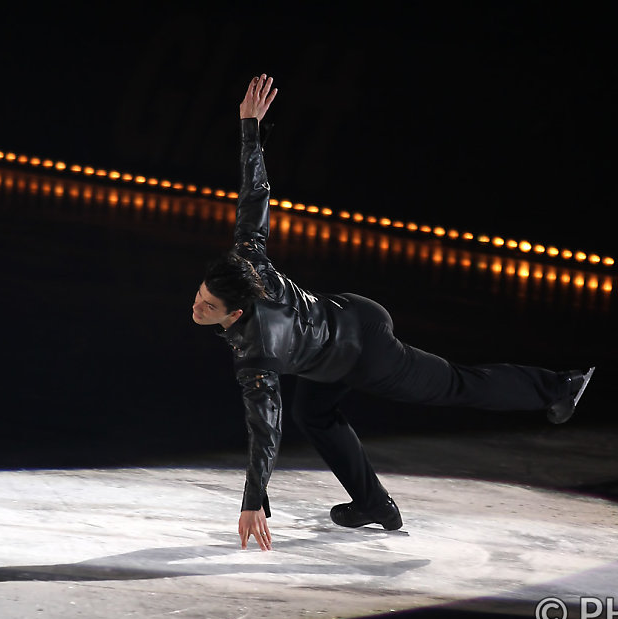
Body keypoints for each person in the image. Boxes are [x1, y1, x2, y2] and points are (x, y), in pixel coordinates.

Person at [192, 74, 594, 552]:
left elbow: (265, 425)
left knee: (454, 384)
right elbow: (254, 194)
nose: (196, 307)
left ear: (235, 313)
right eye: (199, 295)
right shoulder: (245, 260)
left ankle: (559, 385)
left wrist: (253, 499)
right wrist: (250, 129)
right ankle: (373, 504)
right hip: (340, 325)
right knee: (314, 411)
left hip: (364, 348)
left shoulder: (259, 353)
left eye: (207, 306)